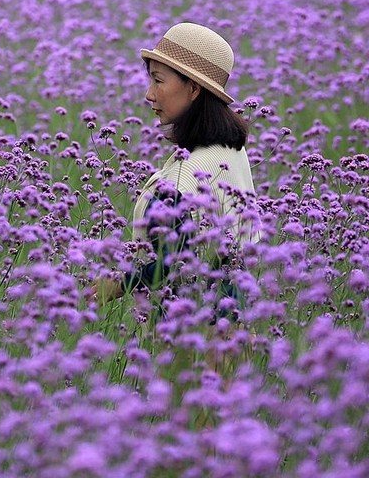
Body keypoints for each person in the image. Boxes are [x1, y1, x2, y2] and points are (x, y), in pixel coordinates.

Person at [91, 23, 256, 304]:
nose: (149, 94)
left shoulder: (183, 182)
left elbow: (173, 265)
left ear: (193, 89)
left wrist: (119, 283)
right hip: (239, 327)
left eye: (158, 80)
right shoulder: (230, 151)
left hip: (195, 334)